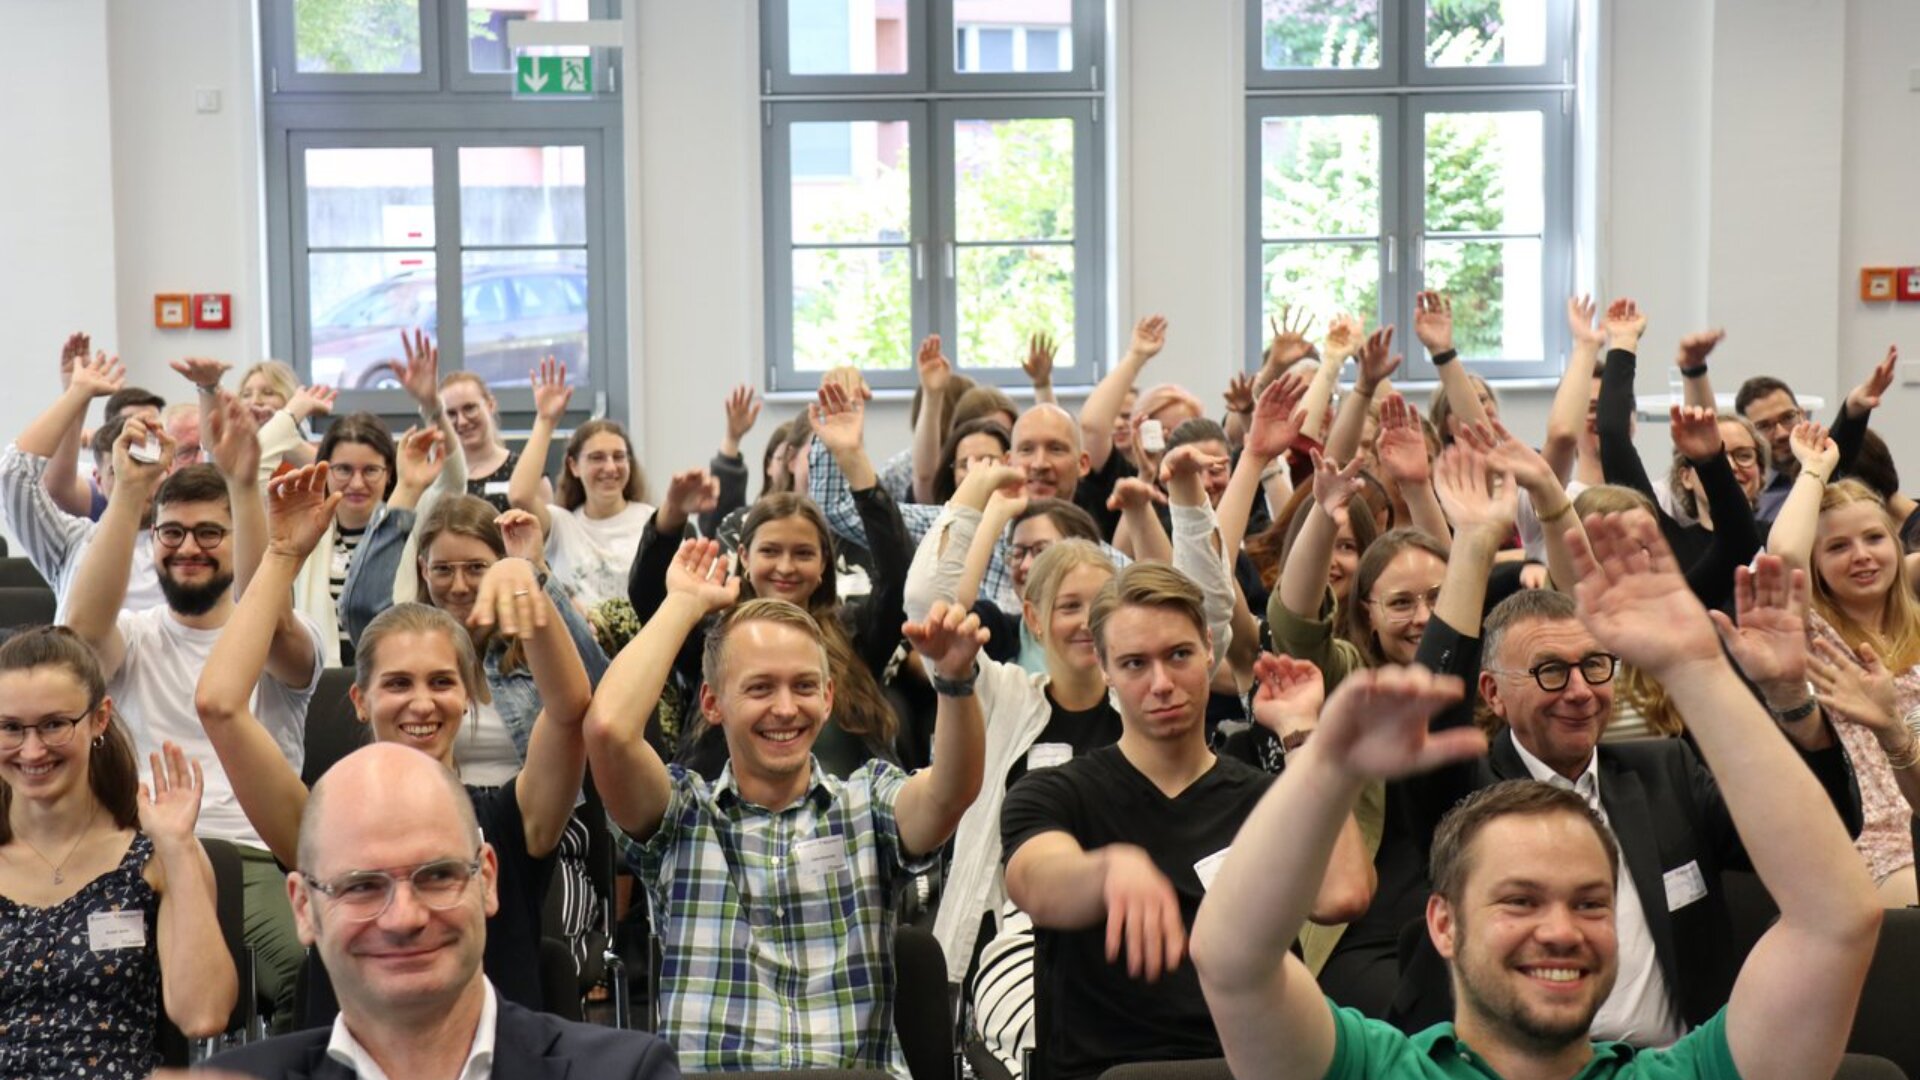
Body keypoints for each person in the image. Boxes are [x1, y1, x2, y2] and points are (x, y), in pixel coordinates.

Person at [1192, 509, 1885, 1080]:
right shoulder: (1378, 1069)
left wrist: (1696, 668)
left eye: (1591, 903)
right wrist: (1321, 768)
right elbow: (1233, 959)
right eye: (1520, 900)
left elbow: (1837, 919)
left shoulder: (1682, 1074)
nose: (1560, 930)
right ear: (1443, 923)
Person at [1396, 511, 1863, 1041]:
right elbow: (1428, 715)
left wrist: (1788, 698)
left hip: (1673, 1064)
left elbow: (1822, 838)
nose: (1579, 691)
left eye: (1596, 665)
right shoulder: (1467, 795)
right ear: (1493, 694)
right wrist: (1476, 542)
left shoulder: (1666, 771)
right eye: (1551, 671)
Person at [193, 461, 592, 1016]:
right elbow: (219, 705)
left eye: (442, 682)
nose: (422, 702)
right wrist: (281, 556)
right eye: (398, 683)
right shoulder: (322, 827)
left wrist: (526, 579)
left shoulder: (508, 822)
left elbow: (569, 712)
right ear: (361, 701)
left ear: (470, 694)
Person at [584, 537, 987, 1075]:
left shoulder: (868, 804)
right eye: (759, 688)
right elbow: (609, 730)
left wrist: (956, 682)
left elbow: (952, 790)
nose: (784, 708)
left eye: (803, 687)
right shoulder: (681, 815)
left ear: (827, 698)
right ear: (712, 703)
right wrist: (682, 603)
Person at [999, 559, 1372, 1080]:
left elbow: (1344, 894)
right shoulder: (1058, 792)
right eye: (1134, 664)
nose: (1161, 683)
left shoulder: (1265, 800)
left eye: (1178, 656)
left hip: (1253, 1064)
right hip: (1111, 1071)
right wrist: (1104, 872)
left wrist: (1301, 732)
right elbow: (1035, 879)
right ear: (1105, 669)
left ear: (1209, 652)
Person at [63, 401, 323, 1030]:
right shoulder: (135, 634)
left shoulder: (282, 638)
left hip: (251, 855)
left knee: (303, 972)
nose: (188, 549)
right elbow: (79, 637)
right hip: (138, 856)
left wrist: (243, 482)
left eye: (210, 532)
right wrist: (129, 497)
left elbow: (275, 621)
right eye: (172, 533)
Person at [204, 744, 679, 1080]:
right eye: (362, 887)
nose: (404, 917)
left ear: (487, 879)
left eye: (437, 877)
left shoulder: (625, 1073)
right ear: (304, 908)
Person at [629, 379, 912, 779]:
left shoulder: (855, 636)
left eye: (803, 554)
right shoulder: (716, 636)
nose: (785, 567)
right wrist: (671, 515)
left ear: (823, 567)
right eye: (770, 551)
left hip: (845, 825)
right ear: (743, 557)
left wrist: (852, 459)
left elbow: (900, 581)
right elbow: (647, 598)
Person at [0, 627, 236, 1077]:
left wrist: (179, 849)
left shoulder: (155, 856)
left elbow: (203, 1015)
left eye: (54, 724)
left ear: (100, 718)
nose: (32, 750)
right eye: (10, 727)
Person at [1769, 424, 1920, 905]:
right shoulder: (1816, 633)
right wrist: (1815, 469)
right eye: (1837, 547)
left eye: (1874, 538)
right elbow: (1785, 553)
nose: (1862, 557)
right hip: (1873, 838)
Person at [2, 349, 169, 618]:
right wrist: (76, 395)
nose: (134, 481)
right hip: (82, 658)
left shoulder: (190, 545)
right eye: (120, 472)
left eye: (146, 469)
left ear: (166, 470)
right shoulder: (72, 541)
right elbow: (14, 477)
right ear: (99, 480)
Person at [510, 357, 654, 613]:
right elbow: (520, 496)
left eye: (619, 457)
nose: (610, 467)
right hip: (578, 648)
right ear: (574, 466)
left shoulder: (651, 521)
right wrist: (545, 421)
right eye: (597, 458)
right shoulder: (562, 525)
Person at [1736, 345, 1892, 523]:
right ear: (1747, 433)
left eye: (1788, 417)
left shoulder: (1831, 468)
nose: (1781, 433)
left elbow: (1839, 449)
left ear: (1801, 414)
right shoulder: (1749, 492)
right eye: (1764, 426)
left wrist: (1854, 409)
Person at [438, 369, 552, 512]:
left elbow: (550, 531)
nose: (461, 421)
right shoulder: (436, 478)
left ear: (490, 405)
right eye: (451, 414)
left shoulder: (526, 474)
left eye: (470, 408)